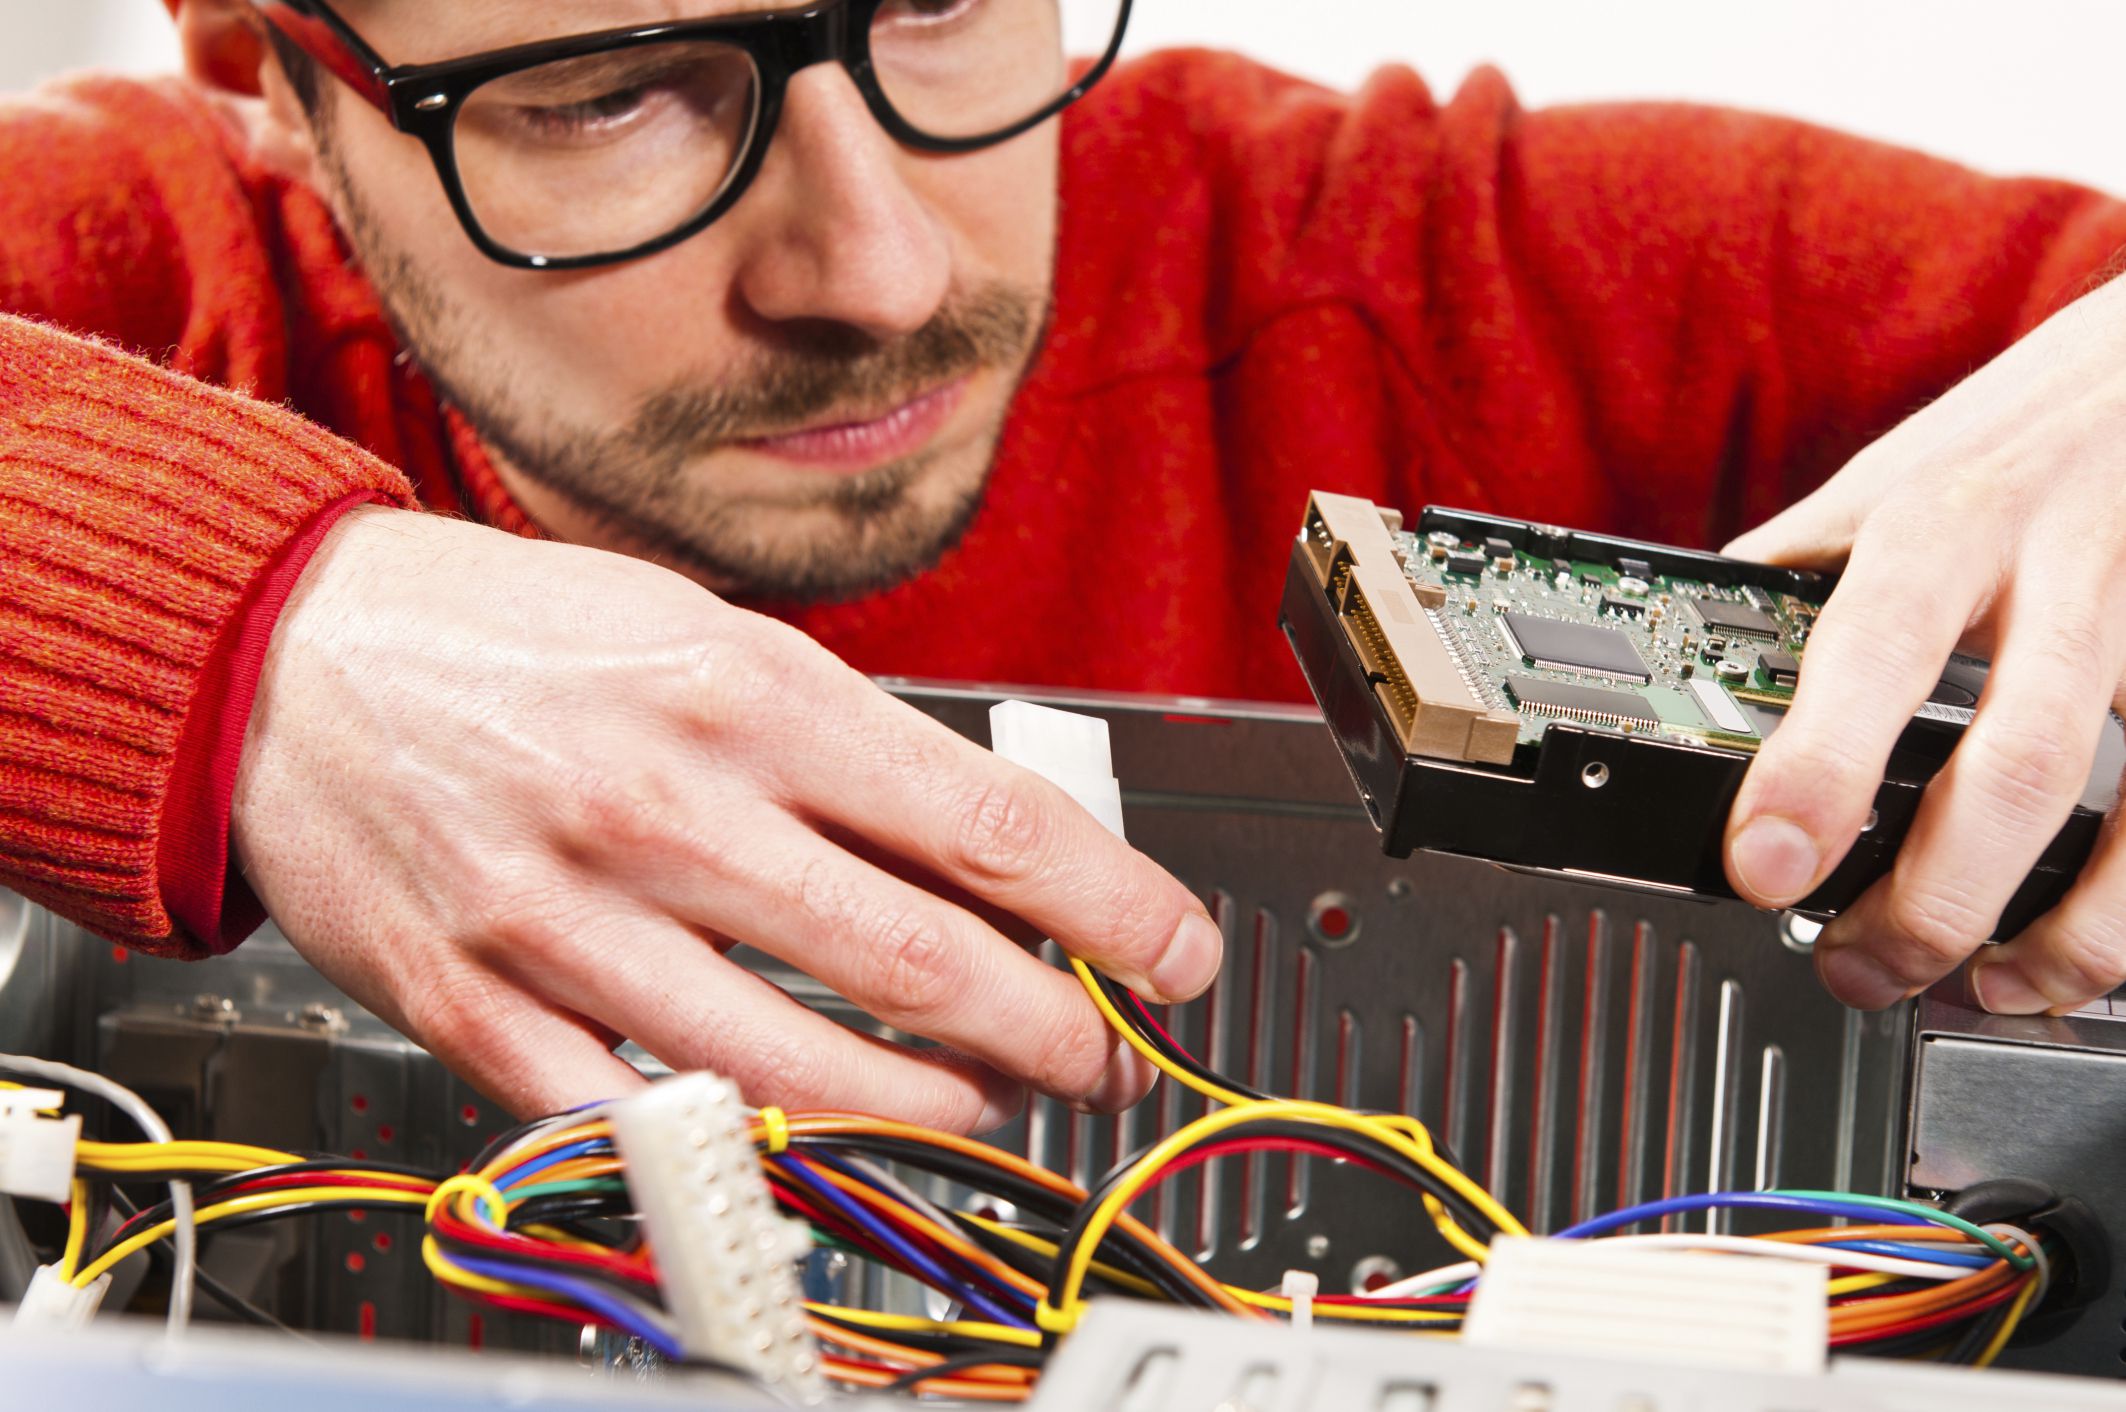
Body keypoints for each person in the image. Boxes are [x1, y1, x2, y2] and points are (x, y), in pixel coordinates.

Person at [3, 0, 2123, 1128]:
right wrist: (246, 635)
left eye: (935, 1)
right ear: (269, 79)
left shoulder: (1384, 271)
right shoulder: (153, 292)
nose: (885, 266)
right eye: (615, 94)